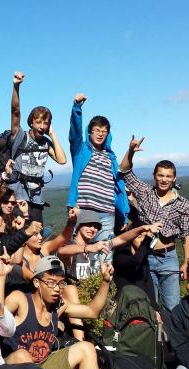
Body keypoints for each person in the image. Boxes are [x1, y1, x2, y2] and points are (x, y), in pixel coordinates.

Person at [3, 256, 120, 369]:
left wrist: (105, 282)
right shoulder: (20, 299)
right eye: (51, 282)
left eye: (60, 283)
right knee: (22, 355)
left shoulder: (58, 306)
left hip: (43, 366)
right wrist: (0, 278)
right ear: (36, 282)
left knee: (87, 348)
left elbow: (92, 311)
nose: (57, 288)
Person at [119, 141, 189, 311]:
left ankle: (172, 330)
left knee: (172, 307)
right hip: (144, 255)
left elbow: (187, 235)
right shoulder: (145, 192)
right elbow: (124, 171)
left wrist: (187, 262)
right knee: (148, 306)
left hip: (169, 257)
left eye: (168, 176)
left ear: (174, 178)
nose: (164, 179)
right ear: (154, 176)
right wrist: (131, 151)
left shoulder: (183, 205)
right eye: (160, 175)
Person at [66, 93, 129, 260]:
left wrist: (124, 212)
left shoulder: (111, 157)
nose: (100, 134)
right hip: (84, 208)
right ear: (89, 132)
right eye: (97, 130)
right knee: (79, 254)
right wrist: (77, 108)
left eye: (104, 131)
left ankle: (103, 277)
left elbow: (119, 186)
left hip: (107, 212)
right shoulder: (81, 150)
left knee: (105, 255)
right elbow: (74, 134)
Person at [3, 72, 67, 223]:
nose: (42, 126)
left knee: (36, 233)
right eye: (38, 122)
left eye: (45, 123)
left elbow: (62, 160)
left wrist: (53, 135)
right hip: (17, 197)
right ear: (31, 122)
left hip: (36, 199)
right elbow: (15, 111)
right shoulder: (20, 136)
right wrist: (16, 87)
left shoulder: (46, 143)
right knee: (18, 233)